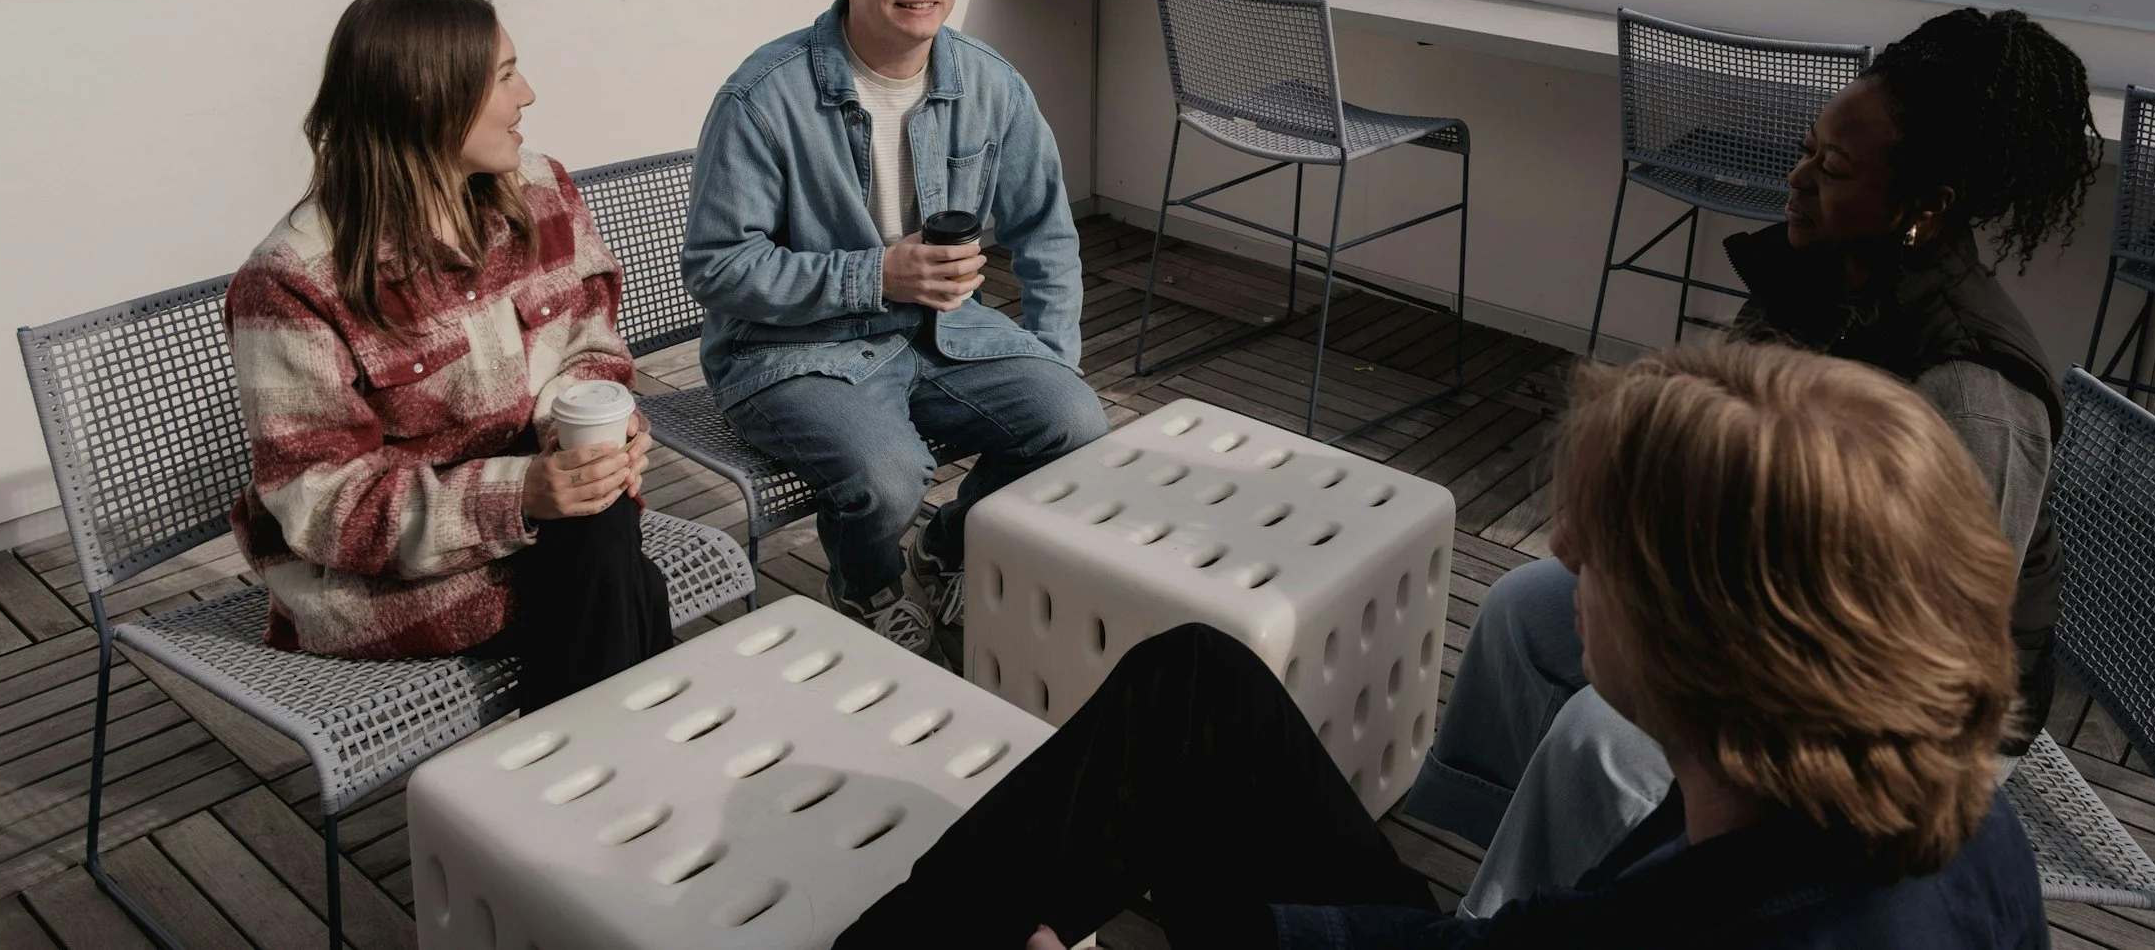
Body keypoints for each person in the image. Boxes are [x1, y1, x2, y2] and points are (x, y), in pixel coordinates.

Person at [836, 341, 2050, 950]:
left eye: (1606, 538)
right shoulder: (1945, 809)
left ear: (1713, 639)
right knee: (1196, 684)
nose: (1563, 546)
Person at [1408, 5, 2100, 912]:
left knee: (1600, 739)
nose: (1798, 178)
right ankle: (1517, 871)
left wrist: (1701, 646)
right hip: (1762, 598)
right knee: (1523, 610)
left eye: (1834, 168)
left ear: (1924, 208)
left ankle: (1540, 911)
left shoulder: (1972, 390)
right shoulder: (1825, 274)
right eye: (1809, 148)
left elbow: (1923, 640)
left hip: (1885, 711)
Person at [682, 0, 1106, 657]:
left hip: (940, 333)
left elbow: (1047, 233)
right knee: (887, 472)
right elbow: (716, 266)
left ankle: (948, 546)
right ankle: (866, 585)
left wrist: (1056, 363)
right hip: (785, 351)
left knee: (1076, 420)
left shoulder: (989, 83)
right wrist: (875, 275)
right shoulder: (762, 97)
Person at [226, 0, 671, 713]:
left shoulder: (539, 190)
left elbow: (588, 344)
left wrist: (587, 430)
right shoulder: (296, 281)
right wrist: (523, 492)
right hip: (400, 585)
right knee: (616, 569)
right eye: (502, 76)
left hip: (552, 540)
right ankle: (606, 781)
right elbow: (322, 504)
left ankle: (582, 792)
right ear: (423, 99)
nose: (527, 93)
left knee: (601, 536)